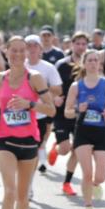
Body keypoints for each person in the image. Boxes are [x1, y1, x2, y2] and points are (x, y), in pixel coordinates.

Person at [0, 36, 55, 209]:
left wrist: (30, 105)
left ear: (26, 53)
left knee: (23, 195)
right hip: (5, 140)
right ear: (6, 52)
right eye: (13, 50)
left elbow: (52, 109)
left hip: (29, 141)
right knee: (10, 191)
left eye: (21, 50)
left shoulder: (34, 78)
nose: (17, 54)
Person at [65, 50, 105, 209]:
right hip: (83, 131)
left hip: (102, 131)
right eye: (89, 60)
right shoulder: (76, 86)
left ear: (100, 64)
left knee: (101, 176)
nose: (93, 63)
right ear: (84, 63)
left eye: (96, 60)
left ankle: (96, 184)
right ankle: (87, 207)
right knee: (87, 173)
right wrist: (76, 109)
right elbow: (67, 112)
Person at [51, 32, 89, 196]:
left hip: (81, 114)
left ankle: (67, 182)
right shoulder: (62, 64)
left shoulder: (89, 64)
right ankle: (56, 148)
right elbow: (51, 85)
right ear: (72, 45)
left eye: (83, 44)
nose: (80, 47)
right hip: (62, 113)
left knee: (78, 149)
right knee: (65, 149)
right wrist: (54, 98)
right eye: (78, 43)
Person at [24, 35, 63, 178]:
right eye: (29, 45)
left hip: (39, 114)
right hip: (20, 115)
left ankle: (28, 183)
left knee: (33, 151)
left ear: (41, 49)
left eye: (35, 46)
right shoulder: (19, 66)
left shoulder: (48, 68)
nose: (32, 49)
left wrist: (41, 87)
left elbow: (58, 89)